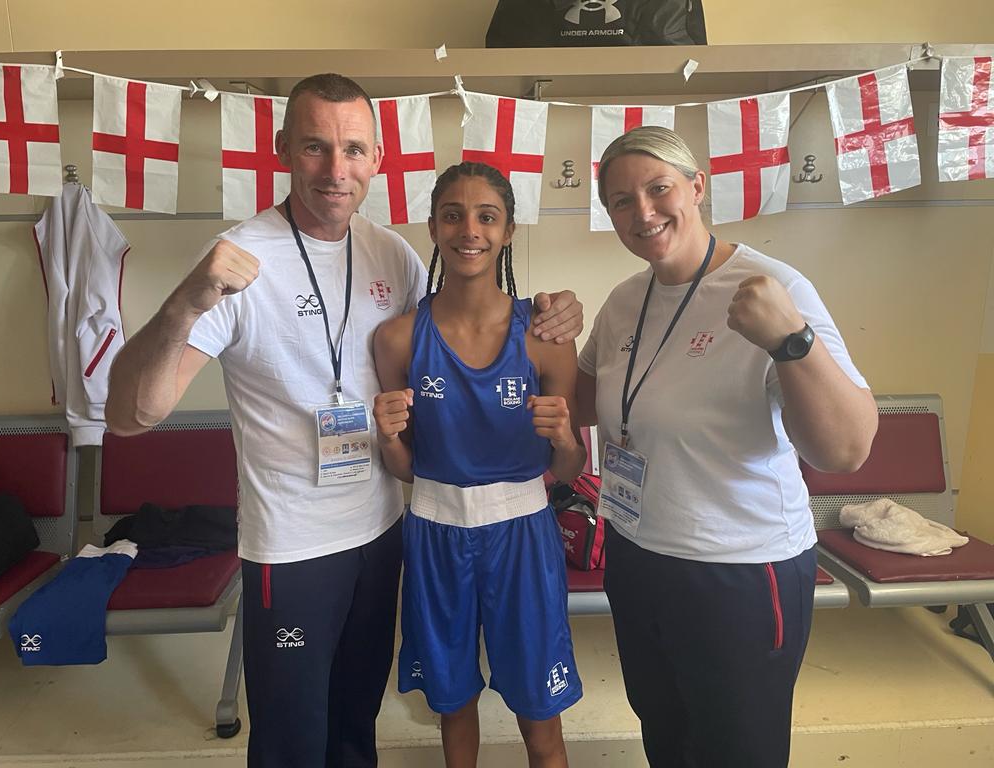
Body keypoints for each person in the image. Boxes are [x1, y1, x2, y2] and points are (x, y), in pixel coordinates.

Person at [104, 74, 584, 768]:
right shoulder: (238, 260)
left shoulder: (390, 252)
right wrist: (185, 300)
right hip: (294, 546)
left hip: (387, 532)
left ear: (377, 159)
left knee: (356, 725)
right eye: (315, 147)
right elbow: (130, 415)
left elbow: (458, 324)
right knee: (295, 738)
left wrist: (556, 306)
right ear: (282, 150)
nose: (336, 169)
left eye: (352, 149)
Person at [575, 126, 878, 768]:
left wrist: (791, 340)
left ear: (698, 187)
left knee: (737, 749)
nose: (644, 212)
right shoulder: (625, 301)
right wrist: (541, 322)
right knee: (665, 731)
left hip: (739, 569)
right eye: (622, 200)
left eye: (659, 189)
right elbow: (576, 401)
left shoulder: (772, 288)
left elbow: (847, 449)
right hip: (637, 554)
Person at [372, 162, 586, 768]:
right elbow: (409, 469)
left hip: (523, 536)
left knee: (540, 716)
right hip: (435, 534)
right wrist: (387, 441)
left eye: (487, 216)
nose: (470, 230)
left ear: (509, 230)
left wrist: (566, 436)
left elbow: (568, 468)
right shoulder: (396, 339)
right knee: (453, 706)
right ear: (434, 227)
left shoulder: (544, 335)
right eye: (453, 215)